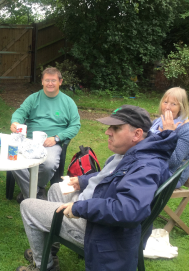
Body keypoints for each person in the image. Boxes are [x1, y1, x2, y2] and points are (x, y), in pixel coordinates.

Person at [16, 105, 178, 271]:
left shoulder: (145, 166)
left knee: (28, 206)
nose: (108, 132)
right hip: (97, 210)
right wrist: (83, 180)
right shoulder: (138, 150)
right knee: (56, 189)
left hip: (101, 231)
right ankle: (50, 248)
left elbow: (129, 210)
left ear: (136, 134)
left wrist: (81, 207)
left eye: (115, 128)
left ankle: (46, 266)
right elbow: (111, 176)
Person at [10, 67, 81, 202]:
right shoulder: (33, 98)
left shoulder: (68, 102)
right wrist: (15, 122)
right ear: (42, 81)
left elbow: (75, 125)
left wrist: (57, 138)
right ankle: (36, 193)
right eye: (47, 80)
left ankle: (34, 189)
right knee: (12, 158)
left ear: (60, 82)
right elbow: (20, 112)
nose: (50, 83)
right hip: (30, 140)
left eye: (53, 80)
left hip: (52, 142)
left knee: (49, 163)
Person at [150, 87, 189, 188]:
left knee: (135, 178)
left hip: (172, 174)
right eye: (165, 102)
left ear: (181, 107)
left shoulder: (186, 129)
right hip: (152, 164)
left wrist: (168, 133)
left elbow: (173, 162)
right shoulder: (157, 122)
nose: (167, 107)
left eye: (173, 104)